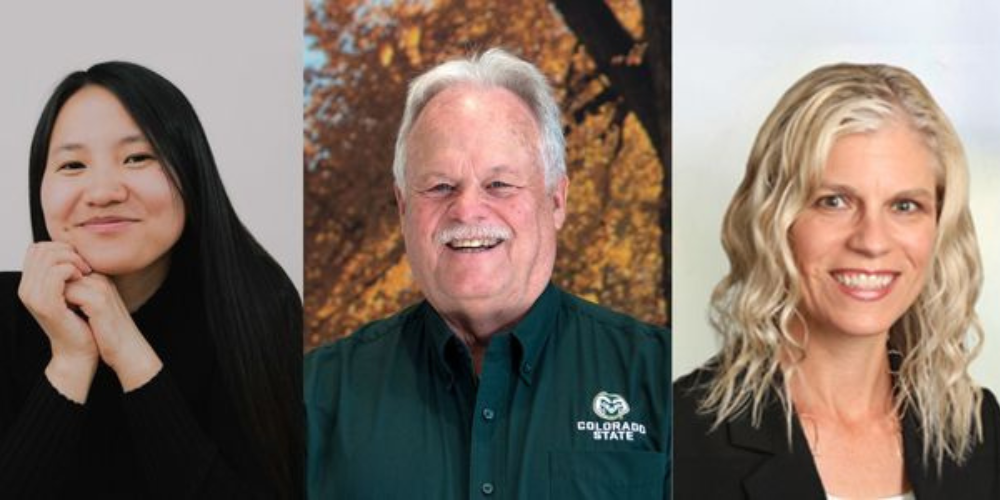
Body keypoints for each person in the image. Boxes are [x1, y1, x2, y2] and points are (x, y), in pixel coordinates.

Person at [305, 48, 670, 498]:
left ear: (556, 201)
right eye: (440, 186)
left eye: (499, 184)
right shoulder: (314, 396)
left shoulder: (661, 377)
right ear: (403, 207)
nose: (467, 209)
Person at [674, 63, 999, 499]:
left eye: (904, 206)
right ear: (773, 219)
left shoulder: (981, 433)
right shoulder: (677, 436)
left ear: (939, 226)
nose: (872, 241)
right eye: (834, 201)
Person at [0, 62, 302, 499]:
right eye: (72, 164)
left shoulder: (256, 309)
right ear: (39, 187)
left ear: (190, 172)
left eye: (137, 157)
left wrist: (130, 353)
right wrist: (69, 362)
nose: (103, 191)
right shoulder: (7, 318)